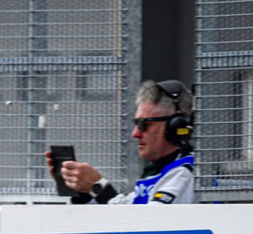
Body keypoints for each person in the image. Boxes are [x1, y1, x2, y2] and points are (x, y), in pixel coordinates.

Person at [47, 79, 196, 204]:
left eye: (145, 125)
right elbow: (123, 211)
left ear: (176, 126)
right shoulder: (161, 171)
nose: (135, 134)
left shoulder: (183, 172)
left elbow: (145, 228)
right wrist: (82, 190)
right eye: (136, 124)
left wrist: (98, 186)